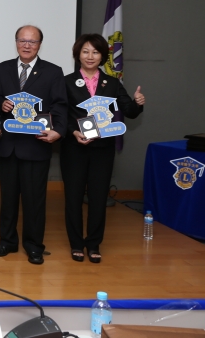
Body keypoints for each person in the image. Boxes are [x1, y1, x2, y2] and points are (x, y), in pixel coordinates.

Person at [61, 34, 144, 263]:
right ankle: (76, 244)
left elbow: (129, 111)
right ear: (78, 54)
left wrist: (137, 103)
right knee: (73, 197)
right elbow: (60, 115)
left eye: (95, 52)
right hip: (74, 147)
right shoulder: (66, 81)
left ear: (102, 56)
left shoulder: (113, 83)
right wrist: (73, 131)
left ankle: (94, 244)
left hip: (102, 149)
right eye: (85, 51)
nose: (90, 56)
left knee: (98, 198)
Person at [0, 25, 67, 265]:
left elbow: (60, 105)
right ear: (16, 42)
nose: (26, 45)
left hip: (36, 144)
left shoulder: (53, 72)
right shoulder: (2, 68)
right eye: (22, 40)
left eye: (32, 42)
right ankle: (7, 242)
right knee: (8, 199)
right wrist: (1, 104)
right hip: (9, 145)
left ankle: (34, 246)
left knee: (34, 201)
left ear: (39, 45)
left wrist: (58, 132)